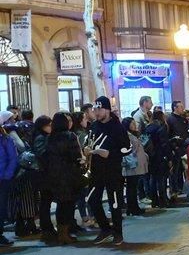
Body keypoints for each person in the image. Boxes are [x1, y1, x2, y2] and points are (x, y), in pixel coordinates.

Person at [85, 96, 132, 245]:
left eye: (99, 109)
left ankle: (118, 232)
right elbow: (90, 141)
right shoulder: (94, 126)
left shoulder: (117, 127)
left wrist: (111, 154)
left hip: (112, 170)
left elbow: (127, 148)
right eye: (95, 109)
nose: (97, 113)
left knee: (115, 202)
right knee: (92, 199)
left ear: (107, 109)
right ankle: (105, 228)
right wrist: (87, 149)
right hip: (96, 170)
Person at [45, 112, 84, 244]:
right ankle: (65, 234)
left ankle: (61, 233)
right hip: (69, 174)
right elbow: (76, 156)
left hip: (54, 175)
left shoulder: (50, 137)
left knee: (61, 205)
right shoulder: (70, 136)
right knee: (68, 204)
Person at [144, 111, 171, 208]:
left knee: (152, 178)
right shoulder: (161, 127)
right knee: (161, 179)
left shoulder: (148, 127)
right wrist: (169, 157)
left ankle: (154, 200)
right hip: (160, 156)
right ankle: (163, 200)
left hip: (150, 156)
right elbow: (164, 144)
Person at [121, 117, 147, 216]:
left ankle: (132, 207)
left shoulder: (132, 135)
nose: (134, 125)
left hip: (135, 164)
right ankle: (133, 208)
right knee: (131, 187)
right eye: (132, 123)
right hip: (132, 164)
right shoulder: (127, 135)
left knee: (132, 187)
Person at [0, 111, 18, 246]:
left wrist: (6, 176)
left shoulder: (6, 139)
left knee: (1, 207)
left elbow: (13, 159)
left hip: (3, 179)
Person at [167, 101, 189, 201]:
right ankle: (174, 190)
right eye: (180, 107)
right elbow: (169, 134)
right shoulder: (170, 120)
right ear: (175, 108)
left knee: (186, 169)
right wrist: (173, 146)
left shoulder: (183, 119)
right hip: (176, 148)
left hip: (184, 147)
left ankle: (184, 189)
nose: (182, 109)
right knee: (175, 171)